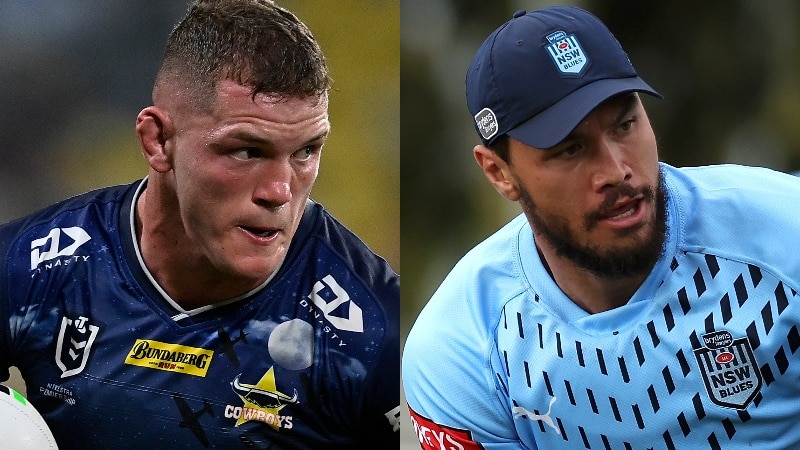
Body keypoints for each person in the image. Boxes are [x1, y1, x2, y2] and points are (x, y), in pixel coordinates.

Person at [0, 1, 399, 448]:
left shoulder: (376, 334)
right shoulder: (35, 265)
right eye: (247, 151)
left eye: (306, 151)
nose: (280, 191)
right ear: (159, 141)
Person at [402, 5, 800, 450]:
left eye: (625, 124)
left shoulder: (785, 235)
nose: (616, 170)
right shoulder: (463, 348)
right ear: (499, 173)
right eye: (570, 149)